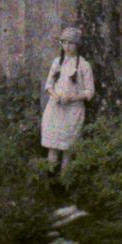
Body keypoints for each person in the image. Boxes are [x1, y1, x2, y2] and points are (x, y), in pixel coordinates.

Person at [40, 25, 94, 172]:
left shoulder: (84, 65)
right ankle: (50, 180)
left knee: (67, 150)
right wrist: (55, 96)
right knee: (52, 148)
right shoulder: (57, 62)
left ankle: (65, 180)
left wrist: (72, 97)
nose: (67, 46)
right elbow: (49, 85)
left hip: (73, 111)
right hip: (55, 109)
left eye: (71, 43)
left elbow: (90, 91)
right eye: (64, 42)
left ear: (77, 45)